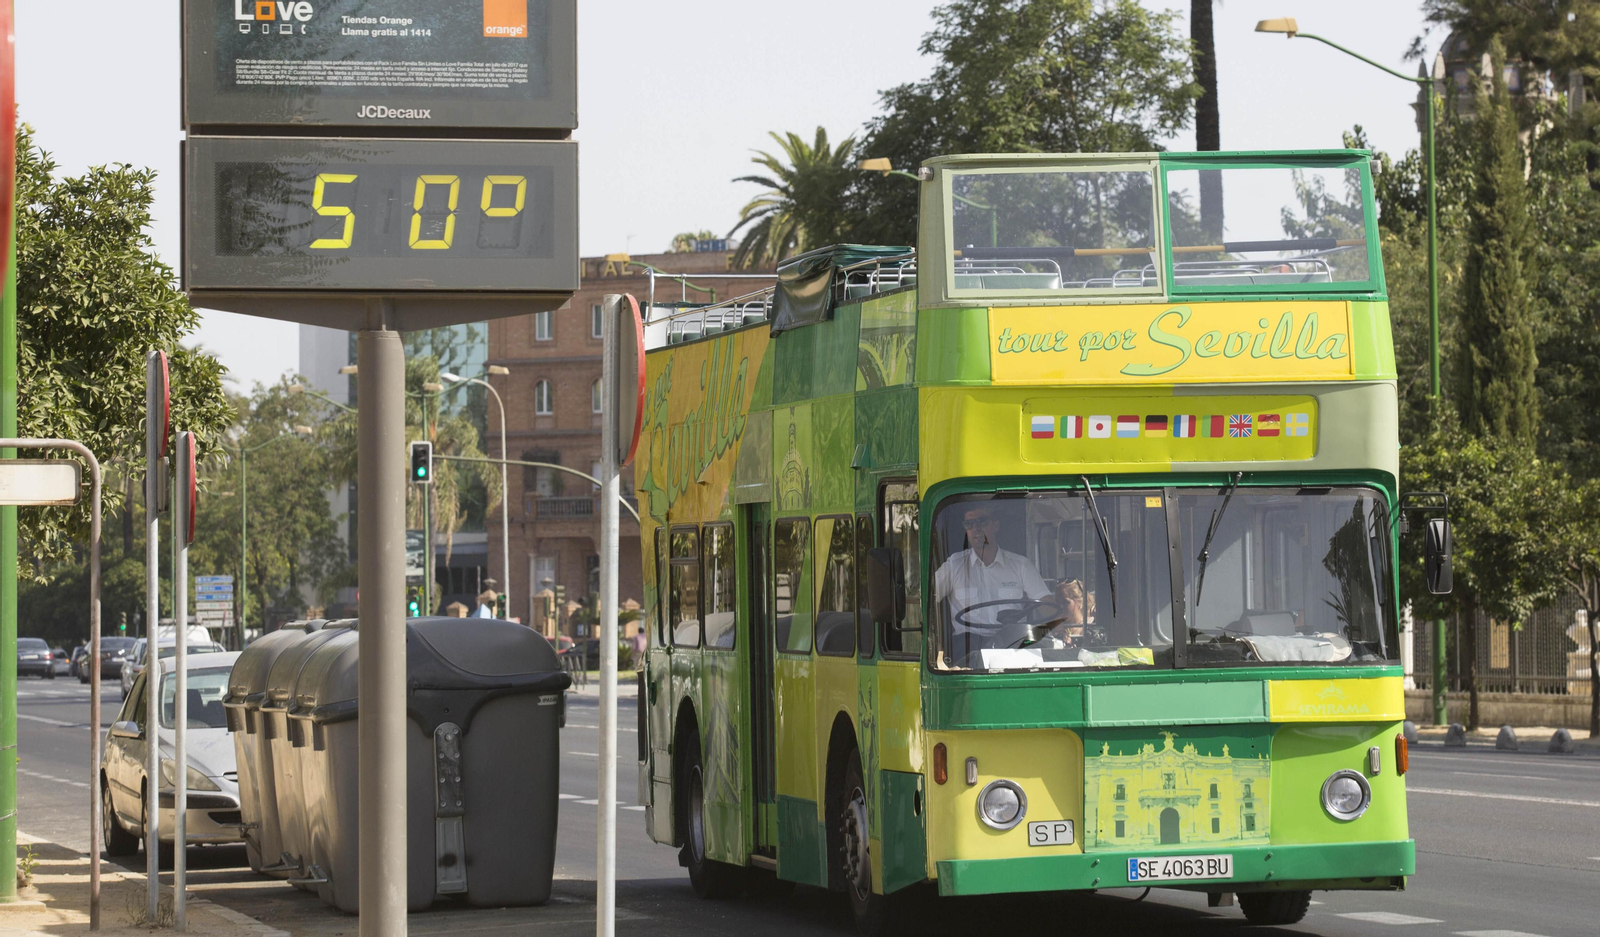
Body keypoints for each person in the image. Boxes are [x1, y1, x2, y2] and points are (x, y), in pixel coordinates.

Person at [935, 504, 1063, 652]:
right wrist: (937, 648)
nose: (975, 528)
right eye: (969, 524)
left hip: (1012, 643)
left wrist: (1061, 633)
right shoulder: (954, 565)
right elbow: (927, 599)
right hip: (968, 647)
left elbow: (1044, 603)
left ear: (996, 525)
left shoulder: (1020, 565)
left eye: (982, 521)